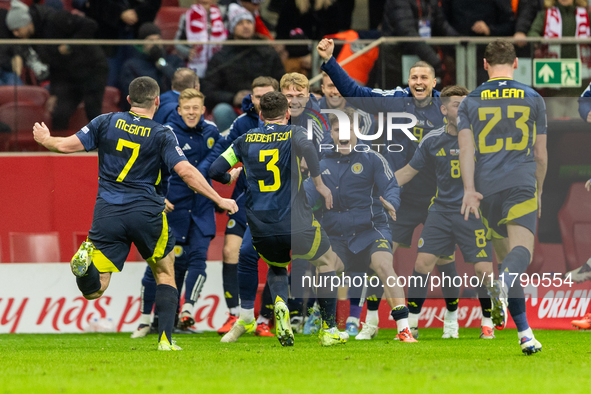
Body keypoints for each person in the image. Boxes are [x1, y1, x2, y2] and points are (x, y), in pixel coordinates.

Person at [32, 76, 238, 351]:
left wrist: (46, 138)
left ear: (128, 100)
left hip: (108, 213)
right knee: (165, 273)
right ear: (156, 101)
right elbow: (187, 172)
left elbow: (64, 146)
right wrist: (218, 198)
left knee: (95, 289)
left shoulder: (105, 121)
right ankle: (165, 340)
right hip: (146, 212)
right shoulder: (162, 133)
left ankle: (84, 270)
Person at [317, 38, 460, 340]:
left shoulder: (446, 109)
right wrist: (330, 61)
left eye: (424, 78)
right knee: (379, 262)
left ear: (435, 82)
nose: (418, 82)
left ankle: (452, 319)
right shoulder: (395, 99)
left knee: (443, 260)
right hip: (399, 196)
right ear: (408, 82)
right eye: (414, 78)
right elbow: (355, 92)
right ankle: (370, 323)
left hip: (437, 198)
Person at [209, 91, 348, 347]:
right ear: (287, 114)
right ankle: (329, 330)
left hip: (260, 226)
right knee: (328, 263)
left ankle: (280, 304)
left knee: (276, 266)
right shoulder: (294, 134)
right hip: (296, 221)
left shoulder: (244, 139)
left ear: (261, 115)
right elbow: (309, 148)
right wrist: (320, 184)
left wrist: (230, 178)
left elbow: (215, 170)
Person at [458, 39, 547, 355]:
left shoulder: (470, 101)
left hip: (486, 190)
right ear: (516, 63)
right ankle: (504, 283)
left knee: (508, 259)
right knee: (521, 254)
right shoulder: (534, 98)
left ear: (484, 64)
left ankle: (525, 334)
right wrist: (539, 190)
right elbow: (540, 153)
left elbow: (465, 149)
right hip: (520, 183)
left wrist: (469, 190)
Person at [304, 107, 417, 342]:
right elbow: (305, 196)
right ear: (332, 133)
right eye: (337, 129)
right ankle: (329, 329)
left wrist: (392, 203)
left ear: (357, 131)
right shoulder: (321, 164)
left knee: (384, 266)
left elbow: (391, 186)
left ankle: (404, 329)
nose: (343, 134)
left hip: (371, 230)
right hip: (337, 235)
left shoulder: (373, 157)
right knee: (324, 268)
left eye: (348, 129)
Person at [395, 85, 495, 340]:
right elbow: (407, 172)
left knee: (484, 269)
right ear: (443, 110)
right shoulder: (432, 139)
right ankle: (412, 325)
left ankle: (488, 323)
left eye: (465, 104)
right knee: (422, 264)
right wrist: (377, 187)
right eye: (455, 104)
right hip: (440, 210)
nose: (461, 108)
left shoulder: (482, 139)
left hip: (472, 211)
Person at [130, 89, 222, 338]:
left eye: (196, 108)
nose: (192, 112)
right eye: (187, 108)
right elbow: (149, 166)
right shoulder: (166, 133)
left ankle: (187, 312)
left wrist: (223, 186)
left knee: (198, 260)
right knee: (159, 265)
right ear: (179, 110)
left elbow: (215, 166)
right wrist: (158, 197)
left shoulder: (212, 132)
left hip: (201, 209)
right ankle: (144, 320)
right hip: (174, 207)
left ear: (203, 110)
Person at [209, 76, 280, 337]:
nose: (260, 102)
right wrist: (227, 180)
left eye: (266, 96)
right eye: (256, 96)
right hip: (245, 201)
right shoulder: (242, 124)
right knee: (231, 251)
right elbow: (218, 156)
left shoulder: (290, 125)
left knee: (276, 261)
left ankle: (264, 318)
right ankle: (235, 314)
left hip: (275, 204)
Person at [7, 0, 108, 130]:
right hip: (69, 76)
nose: (16, 34)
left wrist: (69, 46)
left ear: (26, 22)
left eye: (17, 29)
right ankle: (61, 149)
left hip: (92, 67)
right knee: (59, 113)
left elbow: (90, 25)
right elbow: (54, 65)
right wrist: (54, 94)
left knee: (93, 111)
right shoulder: (34, 37)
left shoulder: (55, 18)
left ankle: (105, 148)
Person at [202, 4, 284, 131]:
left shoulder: (268, 52)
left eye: (248, 22)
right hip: (234, 108)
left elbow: (281, 82)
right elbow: (208, 90)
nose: (246, 26)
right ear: (232, 27)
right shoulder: (221, 56)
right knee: (221, 110)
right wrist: (233, 97)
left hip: (267, 107)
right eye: (240, 23)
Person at [120, 23, 184, 111]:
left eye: (158, 39)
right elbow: (131, 96)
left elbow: (182, 84)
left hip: (173, 110)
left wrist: (162, 65)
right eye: (150, 40)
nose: (155, 43)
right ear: (143, 44)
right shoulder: (131, 65)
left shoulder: (174, 61)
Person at [174, 0, 228, 78]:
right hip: (195, 63)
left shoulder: (223, 14)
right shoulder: (187, 16)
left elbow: (229, 37)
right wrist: (188, 52)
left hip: (220, 61)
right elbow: (177, 42)